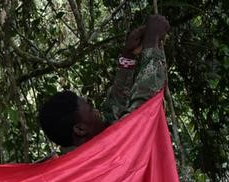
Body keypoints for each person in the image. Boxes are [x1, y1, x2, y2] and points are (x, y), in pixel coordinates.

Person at [38, 15, 170, 153]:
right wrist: (151, 43)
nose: (96, 111)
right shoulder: (100, 156)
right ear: (80, 129)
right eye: (90, 109)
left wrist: (128, 56)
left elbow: (112, 115)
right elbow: (140, 114)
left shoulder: (81, 153)